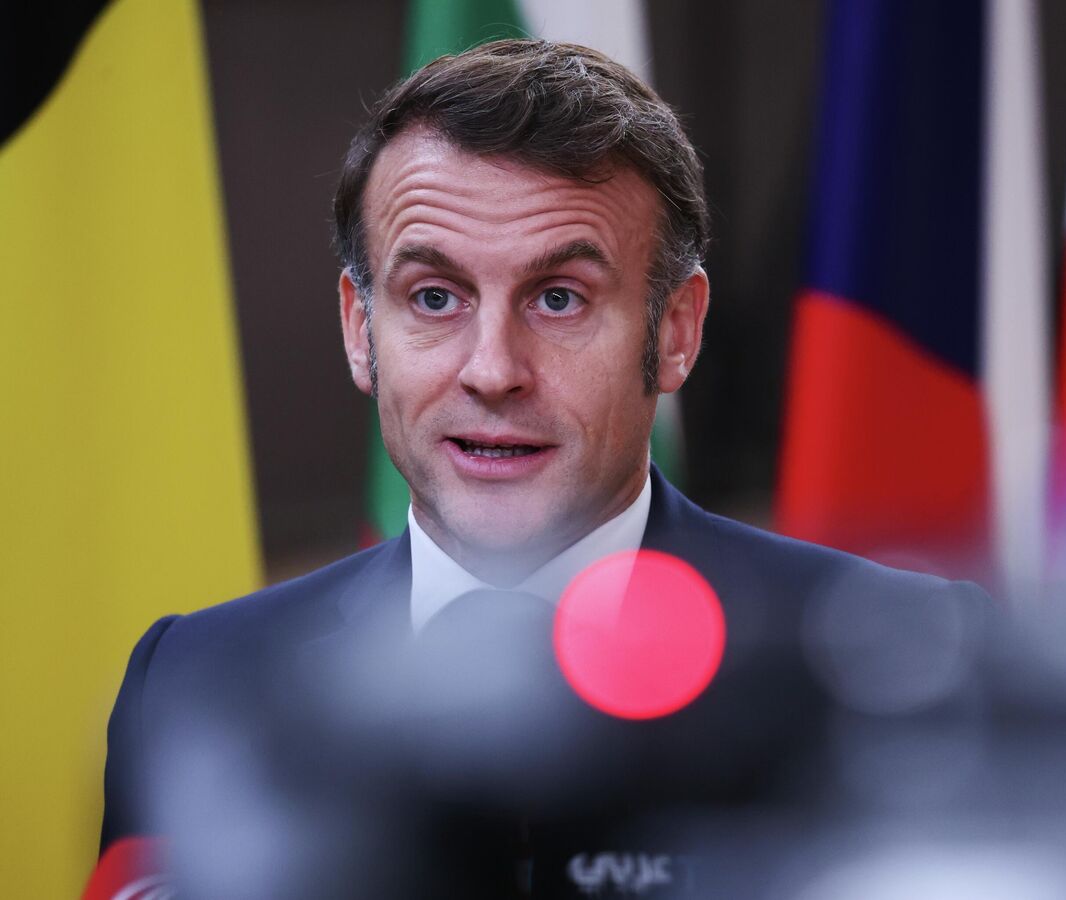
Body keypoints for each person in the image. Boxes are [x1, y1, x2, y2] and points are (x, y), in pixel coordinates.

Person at [99, 39, 985, 896]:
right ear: (359, 330)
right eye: (434, 298)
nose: (493, 371)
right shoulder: (197, 680)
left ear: (675, 330)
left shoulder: (892, 664)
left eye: (559, 299)